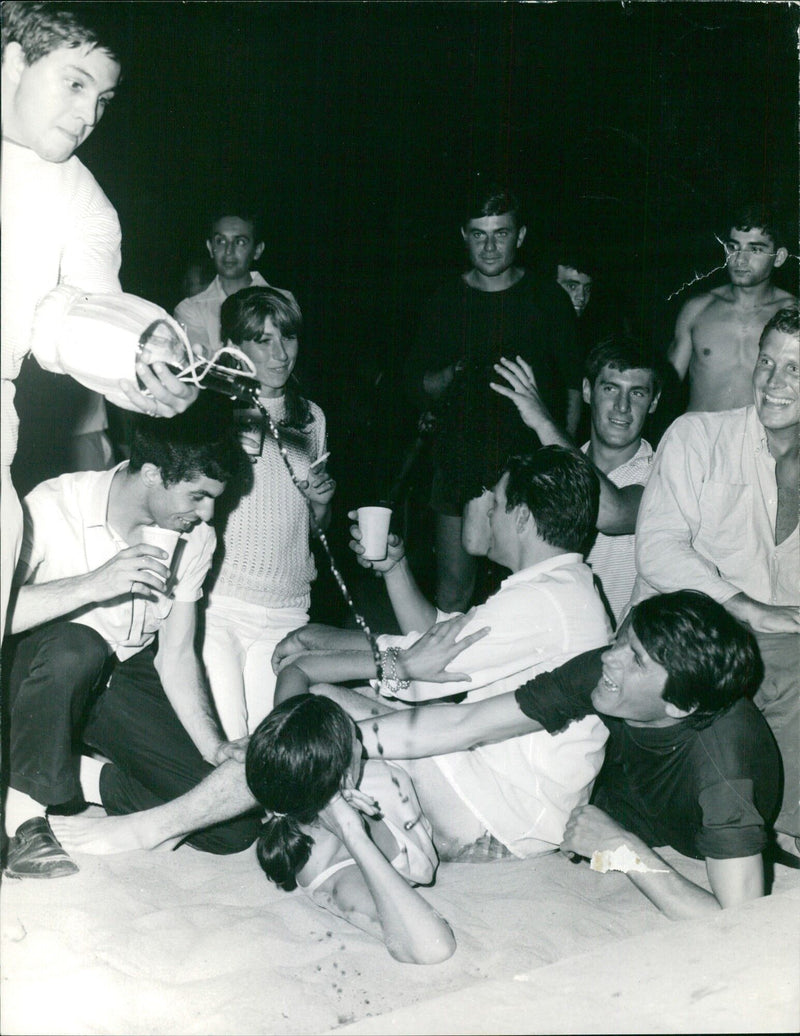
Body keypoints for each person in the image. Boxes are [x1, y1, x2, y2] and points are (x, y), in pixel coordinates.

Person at [52, 592, 780, 922]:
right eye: (623, 640)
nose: (611, 661)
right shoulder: (600, 670)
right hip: (563, 803)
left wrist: (622, 851)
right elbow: (451, 731)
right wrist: (343, 736)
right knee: (322, 721)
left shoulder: (724, 770)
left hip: (634, 831)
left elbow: (737, 928)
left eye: (637, 660)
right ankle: (157, 816)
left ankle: (150, 809)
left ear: (680, 705)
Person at [273, 446, 612, 860]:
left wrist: (316, 639)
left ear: (523, 518)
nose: (490, 514)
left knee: (319, 702)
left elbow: (420, 670)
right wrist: (395, 570)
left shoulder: (546, 601)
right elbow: (439, 641)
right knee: (364, 695)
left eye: (499, 505)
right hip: (513, 794)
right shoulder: (562, 587)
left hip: (507, 816)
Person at [1, 1, 199, 640]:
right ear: (13, 61)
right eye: (75, 83)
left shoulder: (80, 198)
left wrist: (144, 364)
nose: (89, 115)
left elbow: (74, 317)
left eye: (104, 98)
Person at [3, 399, 261, 879]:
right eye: (197, 496)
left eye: (215, 500)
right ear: (151, 473)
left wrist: (212, 747)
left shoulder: (195, 538)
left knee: (231, 825)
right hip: (43, 674)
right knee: (78, 644)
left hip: (119, 679)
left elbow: (178, 656)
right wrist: (91, 585)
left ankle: (74, 775)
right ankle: (23, 819)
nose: (207, 514)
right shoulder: (54, 506)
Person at [633, 305, 799, 854]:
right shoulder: (697, 435)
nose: (774, 383)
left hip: (778, 646)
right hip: (689, 630)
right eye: (768, 363)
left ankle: (785, 831)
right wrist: (751, 609)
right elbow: (657, 551)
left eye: (796, 369)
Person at [403, 183, 581, 611]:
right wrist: (449, 374)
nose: (489, 245)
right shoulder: (444, 300)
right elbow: (415, 386)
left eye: (500, 233)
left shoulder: (548, 299)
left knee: (528, 590)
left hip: (528, 465)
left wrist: (564, 460)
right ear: (463, 235)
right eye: (479, 234)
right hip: (458, 462)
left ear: (520, 236)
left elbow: (574, 386)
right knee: (454, 592)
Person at [201, 287, 335, 739]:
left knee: (269, 749)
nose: (280, 355)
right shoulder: (212, 410)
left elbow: (316, 528)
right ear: (234, 347)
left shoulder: (310, 417)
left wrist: (320, 502)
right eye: (263, 340)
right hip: (220, 602)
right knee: (227, 743)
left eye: (289, 338)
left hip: (285, 611)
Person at [244, 694, 455, 964]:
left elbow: (295, 674)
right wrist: (352, 832)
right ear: (344, 775)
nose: (359, 741)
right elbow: (434, 948)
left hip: (414, 766)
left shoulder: (291, 772)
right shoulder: (339, 878)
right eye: (354, 738)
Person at [490, 335, 662, 625]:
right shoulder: (552, 462)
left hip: (613, 651)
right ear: (587, 390)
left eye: (637, 393)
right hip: (548, 627)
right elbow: (486, 544)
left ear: (653, 402)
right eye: (610, 388)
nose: (622, 406)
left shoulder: (661, 473)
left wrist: (543, 421)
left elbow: (611, 513)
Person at [667, 203, 795, 413]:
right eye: (733, 247)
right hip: (700, 438)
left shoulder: (793, 313)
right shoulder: (697, 309)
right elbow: (663, 388)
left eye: (755, 249)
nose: (739, 259)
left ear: (779, 257)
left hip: (761, 440)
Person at [174, 207, 296, 358]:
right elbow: (202, 368)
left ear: (257, 250)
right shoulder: (190, 309)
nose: (228, 251)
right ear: (211, 248)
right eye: (221, 241)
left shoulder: (284, 301)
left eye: (240, 242)